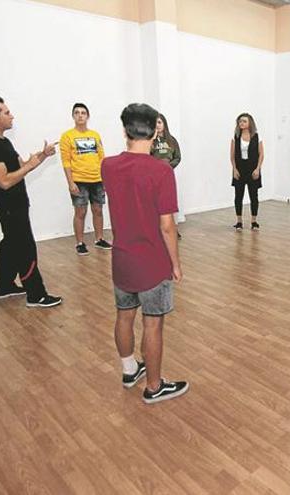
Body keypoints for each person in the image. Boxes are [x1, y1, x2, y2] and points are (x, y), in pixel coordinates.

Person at [101, 103, 188, 404]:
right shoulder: (161, 171)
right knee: (153, 323)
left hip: (122, 260)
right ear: (155, 131)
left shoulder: (107, 166)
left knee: (124, 317)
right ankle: (153, 386)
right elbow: (167, 226)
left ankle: (129, 370)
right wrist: (175, 263)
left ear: (125, 131)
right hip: (152, 262)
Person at [0, 97, 62, 308]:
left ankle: (4, 286)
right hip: (8, 206)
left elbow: (19, 166)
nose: (11, 115)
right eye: (6, 112)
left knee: (10, 244)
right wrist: (30, 166)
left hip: (15, 204)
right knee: (25, 247)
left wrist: (41, 156)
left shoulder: (2, 142)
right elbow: (4, 181)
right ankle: (36, 294)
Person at [60, 103, 111, 256]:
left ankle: (99, 239)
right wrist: (70, 182)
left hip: (97, 179)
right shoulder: (67, 136)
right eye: (77, 113)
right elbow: (66, 162)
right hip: (79, 180)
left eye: (83, 113)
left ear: (88, 116)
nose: (80, 115)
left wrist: (106, 178)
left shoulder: (95, 135)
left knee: (98, 210)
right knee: (80, 212)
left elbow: (102, 158)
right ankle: (80, 243)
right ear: (73, 116)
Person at [150, 113, 182, 239]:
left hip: (167, 176)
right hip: (154, 176)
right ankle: (156, 230)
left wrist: (169, 166)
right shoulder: (150, 141)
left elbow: (177, 157)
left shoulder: (172, 140)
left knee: (169, 204)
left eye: (159, 122)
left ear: (164, 124)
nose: (157, 125)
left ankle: (173, 229)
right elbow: (147, 157)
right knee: (155, 204)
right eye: (155, 123)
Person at [230, 113, 263, 231]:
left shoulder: (257, 136)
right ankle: (239, 222)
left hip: (253, 168)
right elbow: (232, 155)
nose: (241, 123)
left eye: (244, 121)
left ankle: (254, 221)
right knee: (238, 196)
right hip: (239, 169)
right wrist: (234, 169)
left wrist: (258, 168)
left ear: (250, 123)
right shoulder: (236, 137)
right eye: (240, 121)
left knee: (254, 196)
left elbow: (261, 154)